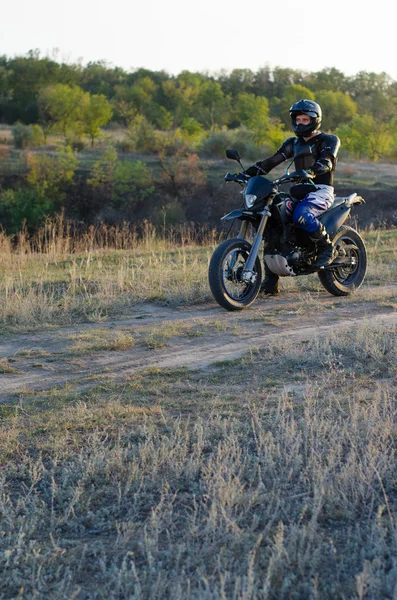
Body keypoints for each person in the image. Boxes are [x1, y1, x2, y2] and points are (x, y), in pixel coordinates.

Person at [244, 99, 340, 295]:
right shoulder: (292, 143)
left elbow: (327, 161)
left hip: (320, 190)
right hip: (299, 190)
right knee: (274, 221)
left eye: (306, 119)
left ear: (315, 120)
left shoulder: (328, 140)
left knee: (301, 214)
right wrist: (248, 172)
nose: (301, 123)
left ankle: (326, 247)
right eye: (298, 119)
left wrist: (314, 171)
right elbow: (271, 161)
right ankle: (271, 282)